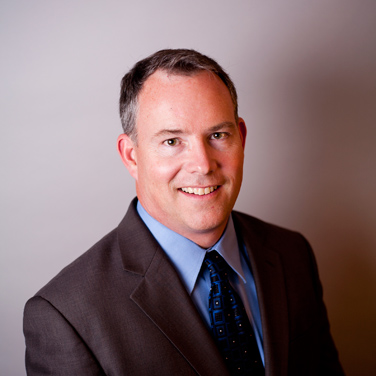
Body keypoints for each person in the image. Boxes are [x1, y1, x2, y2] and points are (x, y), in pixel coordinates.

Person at [23, 49, 344, 375]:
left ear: (241, 138)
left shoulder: (292, 254)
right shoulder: (65, 316)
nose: (203, 165)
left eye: (218, 135)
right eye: (172, 141)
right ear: (131, 156)